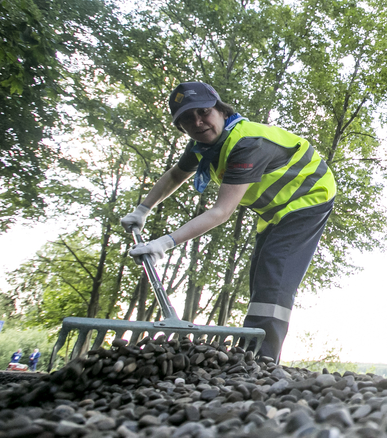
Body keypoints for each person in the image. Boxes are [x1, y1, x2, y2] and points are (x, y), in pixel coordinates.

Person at [121, 82, 337, 364]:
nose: (197, 122)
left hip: (308, 197)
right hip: (276, 209)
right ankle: (250, 353)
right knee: (261, 276)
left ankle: (262, 362)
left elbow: (221, 211)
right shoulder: (203, 146)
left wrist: (165, 243)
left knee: (275, 274)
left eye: (204, 112)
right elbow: (176, 175)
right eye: (187, 118)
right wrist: (142, 209)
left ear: (221, 111)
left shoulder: (246, 145)